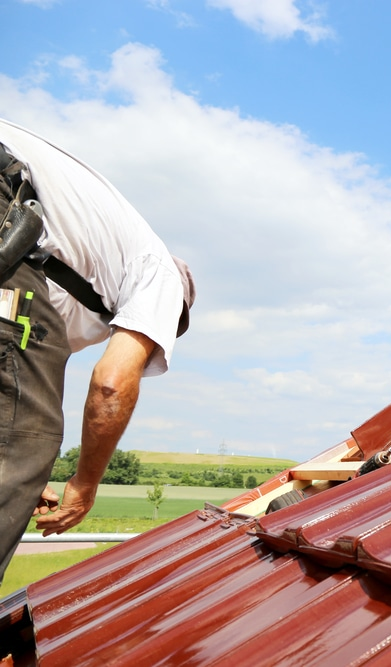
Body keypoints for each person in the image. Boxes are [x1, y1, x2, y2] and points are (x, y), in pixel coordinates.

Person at [0, 118, 195, 583]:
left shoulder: (67, 282)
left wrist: (20, 474)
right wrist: (83, 486)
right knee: (34, 431)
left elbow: (10, 393)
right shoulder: (160, 272)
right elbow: (111, 385)